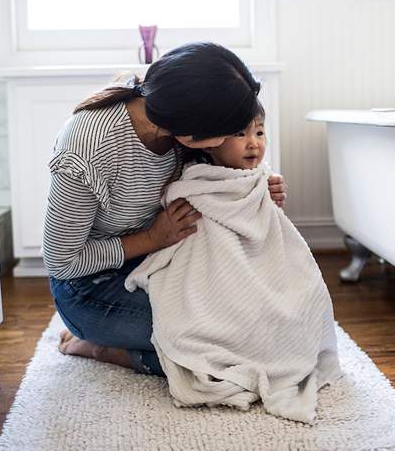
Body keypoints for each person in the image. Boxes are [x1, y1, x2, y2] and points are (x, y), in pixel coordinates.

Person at [44, 42, 287, 376]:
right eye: (224, 132)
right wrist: (153, 238)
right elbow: (62, 261)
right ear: (190, 130)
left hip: (163, 266)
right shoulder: (88, 146)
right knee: (228, 347)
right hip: (89, 287)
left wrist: (261, 185)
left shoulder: (175, 119)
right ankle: (106, 348)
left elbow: (227, 163)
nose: (223, 142)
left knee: (263, 325)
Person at [124, 105, 340, 422]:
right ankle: (116, 354)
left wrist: (273, 200)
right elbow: (192, 232)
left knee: (300, 306)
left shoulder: (264, 179)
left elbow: (270, 234)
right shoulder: (196, 182)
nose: (253, 143)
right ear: (212, 141)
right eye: (240, 134)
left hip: (261, 272)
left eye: (260, 132)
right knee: (204, 337)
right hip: (217, 277)